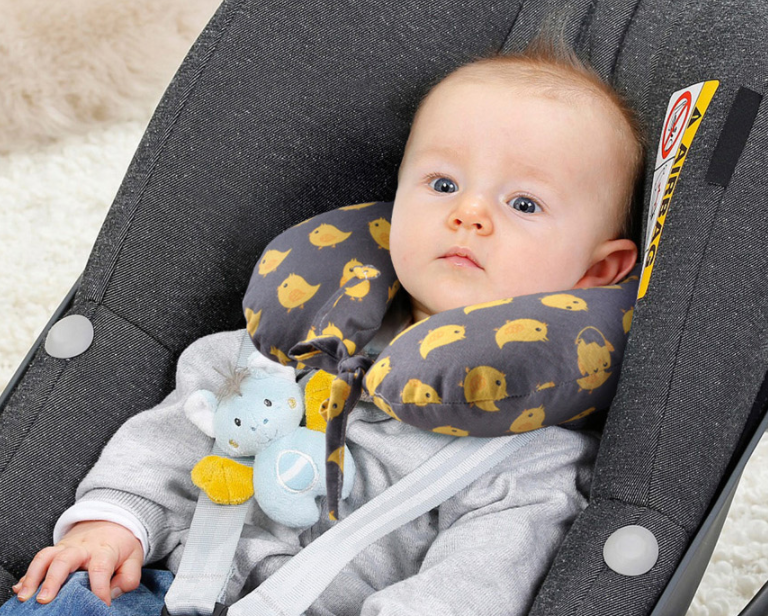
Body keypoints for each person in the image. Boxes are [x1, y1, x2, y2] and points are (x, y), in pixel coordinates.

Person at [3, 37, 644, 616]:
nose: (469, 213)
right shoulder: (299, 335)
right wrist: (118, 520)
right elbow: (178, 431)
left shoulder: (535, 459)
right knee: (64, 598)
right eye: (443, 183)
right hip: (166, 585)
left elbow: (474, 584)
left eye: (524, 202)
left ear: (598, 271)